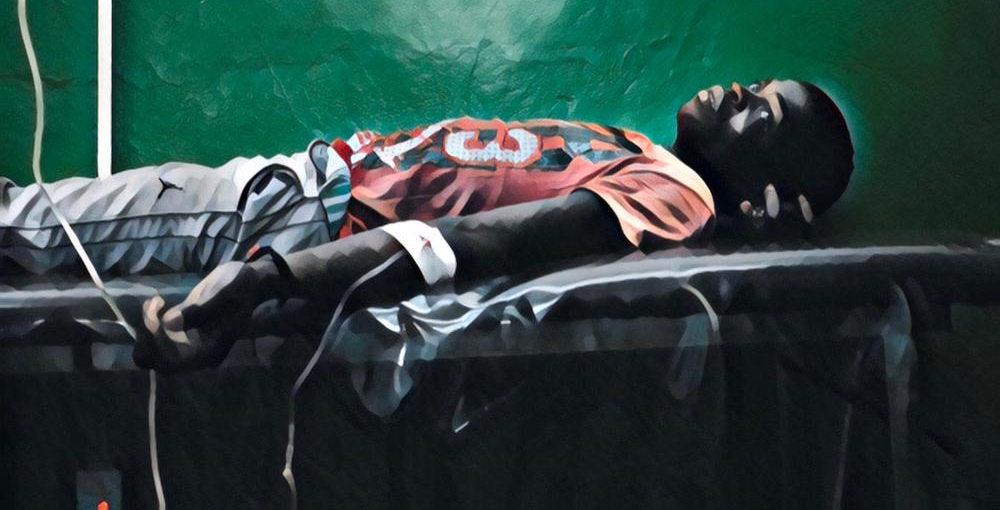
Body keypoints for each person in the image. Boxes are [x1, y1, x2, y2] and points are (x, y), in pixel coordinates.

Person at [0, 80, 854, 370]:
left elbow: (497, 241)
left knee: (22, 223)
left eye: (766, 115)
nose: (741, 94)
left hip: (312, 209)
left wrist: (269, 277)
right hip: (317, 197)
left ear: (767, 187)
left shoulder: (680, 197)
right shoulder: (639, 152)